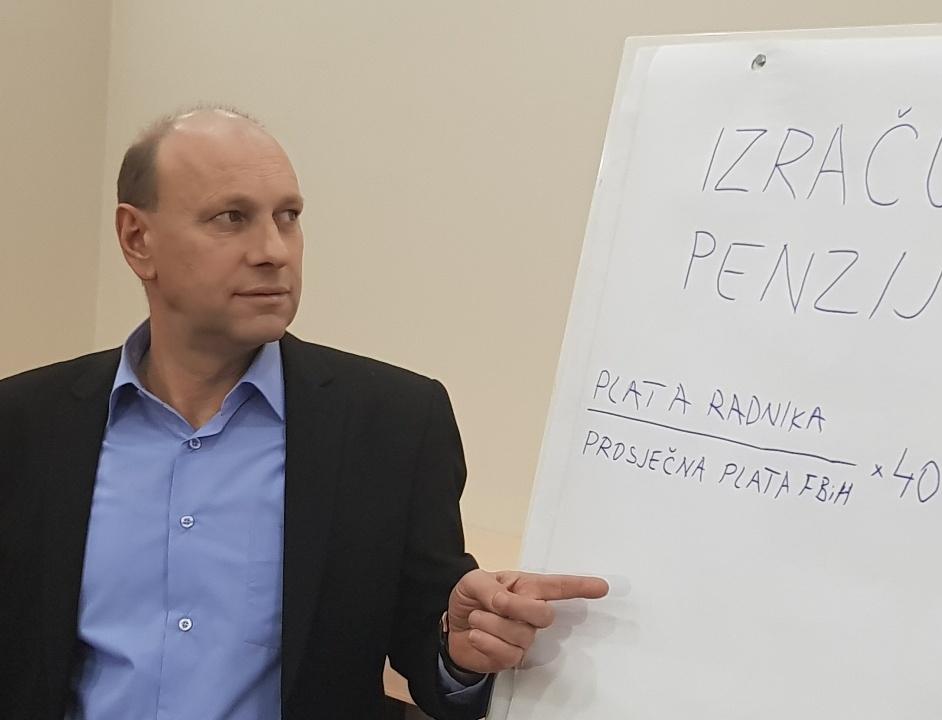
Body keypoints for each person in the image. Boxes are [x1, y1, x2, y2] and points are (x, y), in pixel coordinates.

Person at [0, 107, 608, 720]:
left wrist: (462, 650)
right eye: (231, 217)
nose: (273, 251)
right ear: (138, 239)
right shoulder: (25, 425)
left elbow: (431, 642)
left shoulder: (394, 425)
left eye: (287, 217)